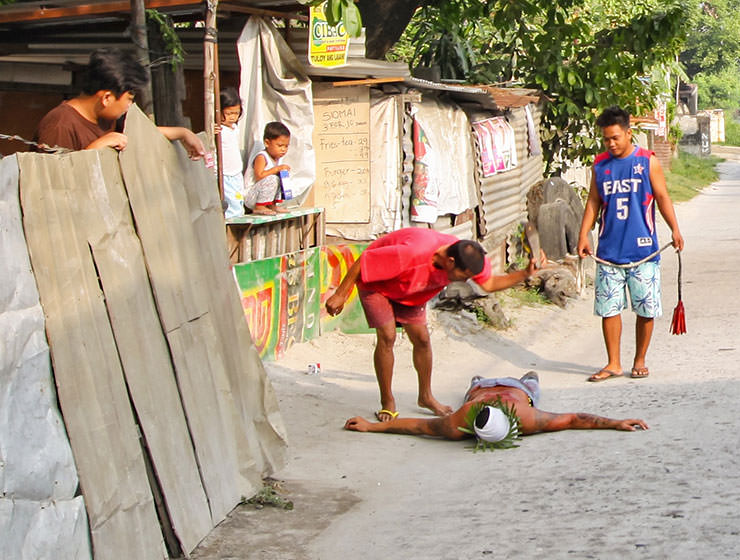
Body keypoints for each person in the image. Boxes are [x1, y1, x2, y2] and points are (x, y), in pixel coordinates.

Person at [325, 227, 541, 422]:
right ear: (450, 262)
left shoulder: (472, 258)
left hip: (413, 291)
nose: (466, 282)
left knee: (422, 339)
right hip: (377, 285)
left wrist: (525, 273)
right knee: (388, 336)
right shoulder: (413, 253)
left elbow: (490, 283)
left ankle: (426, 397)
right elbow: (364, 262)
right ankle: (387, 402)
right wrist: (341, 295)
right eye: (463, 276)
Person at [577, 106, 684, 382]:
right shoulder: (600, 165)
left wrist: (675, 229)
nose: (611, 144)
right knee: (609, 308)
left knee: (645, 308)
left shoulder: (647, 161)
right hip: (609, 251)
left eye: (615, 138)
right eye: (606, 139)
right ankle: (613, 363)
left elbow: (662, 197)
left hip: (643, 251)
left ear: (628, 133)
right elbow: (593, 202)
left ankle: (639, 359)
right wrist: (583, 235)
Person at [344, 371, 648, 443]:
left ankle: (482, 381)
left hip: (480, 386)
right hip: (519, 390)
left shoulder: (459, 421)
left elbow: (418, 426)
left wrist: (373, 426)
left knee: (477, 381)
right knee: (531, 383)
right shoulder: (526, 417)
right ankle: (528, 376)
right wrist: (615, 422)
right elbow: (574, 418)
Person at [35, 48, 204, 159]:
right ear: (107, 98)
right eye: (129, 99)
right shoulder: (60, 125)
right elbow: (52, 185)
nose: (129, 106)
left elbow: (141, 134)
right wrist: (98, 146)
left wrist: (183, 133)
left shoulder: (107, 119)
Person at [245, 121, 291, 215]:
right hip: (252, 197)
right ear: (267, 143)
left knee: (279, 178)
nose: (283, 149)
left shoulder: (277, 159)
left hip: (264, 196)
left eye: (286, 146)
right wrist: (276, 169)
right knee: (273, 178)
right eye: (280, 145)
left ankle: (272, 204)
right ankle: (260, 206)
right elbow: (259, 176)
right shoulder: (262, 157)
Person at [218, 87, 247, 219]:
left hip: (236, 172)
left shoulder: (234, 128)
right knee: (230, 203)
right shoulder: (219, 130)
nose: (232, 117)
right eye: (229, 113)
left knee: (238, 197)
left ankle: (238, 218)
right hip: (225, 173)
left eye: (236, 113)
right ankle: (231, 225)